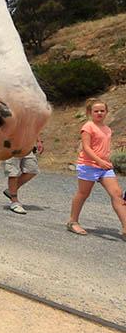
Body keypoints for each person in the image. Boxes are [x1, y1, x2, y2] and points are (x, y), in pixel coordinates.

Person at [67, 99, 126, 238]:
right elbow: (86, 148)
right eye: (96, 111)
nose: (99, 113)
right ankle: (72, 221)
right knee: (83, 194)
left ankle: (125, 228)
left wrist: (106, 158)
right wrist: (99, 161)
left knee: (117, 194)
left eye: (102, 111)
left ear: (106, 112)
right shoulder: (88, 127)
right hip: (88, 166)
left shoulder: (107, 129)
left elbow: (102, 146)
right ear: (90, 112)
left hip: (104, 167)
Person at [2, 136, 44, 214]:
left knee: (32, 169)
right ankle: (14, 202)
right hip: (10, 143)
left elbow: (33, 125)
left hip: (26, 144)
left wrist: (39, 141)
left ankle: (10, 191)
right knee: (13, 171)